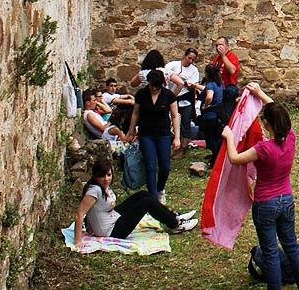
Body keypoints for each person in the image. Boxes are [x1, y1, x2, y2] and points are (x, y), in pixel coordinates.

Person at [223, 83, 299, 290]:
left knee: (271, 252)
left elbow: (235, 158)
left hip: (266, 204)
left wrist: (229, 136)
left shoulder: (263, 149)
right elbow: (277, 111)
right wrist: (260, 93)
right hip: (287, 200)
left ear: (267, 125)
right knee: (292, 246)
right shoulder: (290, 138)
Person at [73, 157, 198, 248]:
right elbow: (79, 214)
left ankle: (173, 216)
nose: (106, 179)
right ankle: (176, 224)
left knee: (143, 194)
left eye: (109, 175)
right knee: (146, 202)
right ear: (95, 176)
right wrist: (78, 241)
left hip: (113, 218)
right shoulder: (94, 190)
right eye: (102, 176)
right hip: (112, 231)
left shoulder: (102, 187)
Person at [126, 69, 181, 202]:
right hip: (146, 134)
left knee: (165, 166)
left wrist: (177, 136)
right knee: (150, 166)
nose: (153, 90)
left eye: (156, 88)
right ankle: (152, 199)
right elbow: (135, 113)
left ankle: (160, 189)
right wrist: (131, 131)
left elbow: (174, 116)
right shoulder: (141, 94)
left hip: (163, 134)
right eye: (151, 87)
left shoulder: (168, 95)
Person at [164, 47, 203, 141]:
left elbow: (193, 85)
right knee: (169, 121)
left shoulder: (194, 70)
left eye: (193, 60)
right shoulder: (172, 65)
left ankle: (184, 145)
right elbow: (165, 75)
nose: (190, 61)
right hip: (171, 96)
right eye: (189, 58)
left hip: (185, 98)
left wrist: (187, 84)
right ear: (184, 56)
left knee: (186, 122)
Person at [210, 36, 241, 123]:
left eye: (220, 45)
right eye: (216, 45)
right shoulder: (216, 59)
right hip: (218, 88)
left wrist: (223, 56)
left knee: (227, 113)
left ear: (227, 46)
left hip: (228, 88)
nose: (218, 47)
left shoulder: (231, 56)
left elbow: (232, 71)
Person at [200, 64, 224, 164]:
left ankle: (215, 158)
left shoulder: (210, 84)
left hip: (210, 115)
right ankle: (216, 154)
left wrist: (205, 106)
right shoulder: (219, 84)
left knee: (210, 137)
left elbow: (209, 96)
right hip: (218, 114)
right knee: (216, 136)